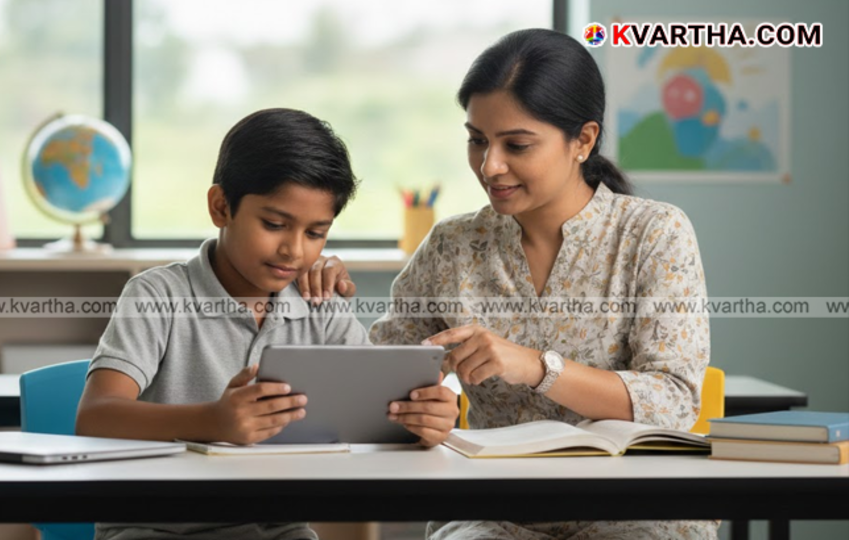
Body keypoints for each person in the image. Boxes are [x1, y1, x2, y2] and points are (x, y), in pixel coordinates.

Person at [302, 29, 717, 539]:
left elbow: (674, 400)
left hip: (638, 509)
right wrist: (320, 293)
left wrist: (536, 367)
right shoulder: (453, 244)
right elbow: (370, 383)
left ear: (582, 141)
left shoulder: (653, 233)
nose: (489, 165)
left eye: (516, 145)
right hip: (493, 512)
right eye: (477, 140)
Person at [76, 108, 458, 540]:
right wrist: (213, 422)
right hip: (151, 530)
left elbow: (375, 419)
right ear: (222, 207)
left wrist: (423, 423)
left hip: (278, 533)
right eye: (274, 225)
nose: (293, 250)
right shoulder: (157, 296)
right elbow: (95, 416)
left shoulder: (320, 306)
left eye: (315, 233)